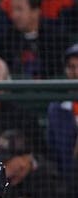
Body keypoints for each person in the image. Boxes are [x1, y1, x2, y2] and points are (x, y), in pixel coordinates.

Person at [46, 42, 78, 183]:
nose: (76, 72)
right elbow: (52, 152)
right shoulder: (56, 109)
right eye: (71, 67)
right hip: (66, 180)